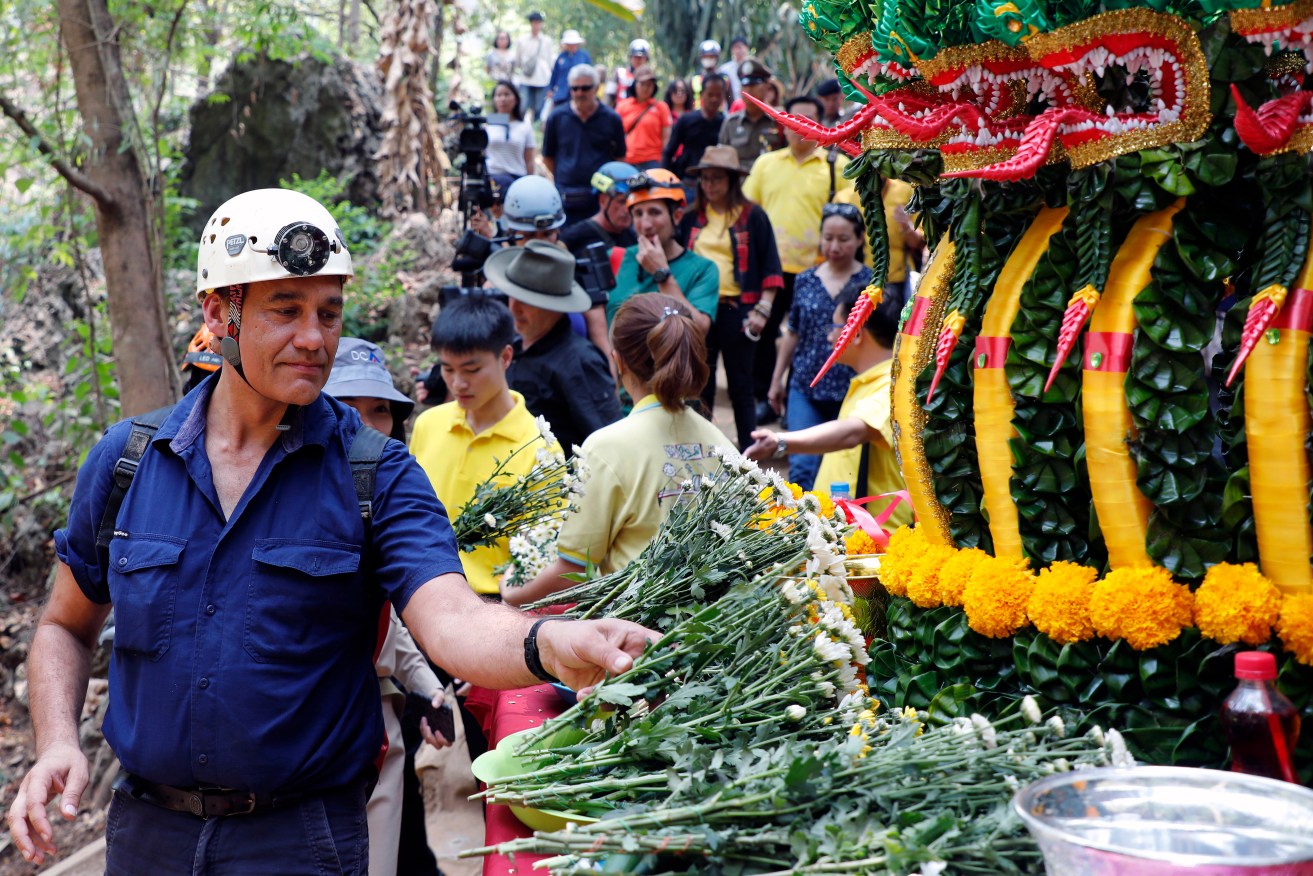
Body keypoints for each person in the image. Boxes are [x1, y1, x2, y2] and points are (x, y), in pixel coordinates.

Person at [5, 188, 654, 872]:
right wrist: (57, 742)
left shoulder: (376, 476)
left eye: (328, 313)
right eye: (285, 312)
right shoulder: (127, 463)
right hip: (147, 837)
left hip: (299, 840)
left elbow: (452, 620)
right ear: (219, 314)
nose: (314, 339)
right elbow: (64, 626)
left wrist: (549, 641)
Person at [505, 293, 728, 605]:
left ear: (618, 360)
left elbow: (572, 569)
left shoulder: (606, 448)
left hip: (634, 634)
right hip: (713, 623)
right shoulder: (721, 442)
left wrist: (511, 594)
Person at [320, 337, 448, 876]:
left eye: (380, 412)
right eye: (347, 410)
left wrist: (430, 689)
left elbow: (394, 622)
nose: (366, 426)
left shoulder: (391, 502)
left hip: (377, 732)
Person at [409, 296, 550, 597]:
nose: (458, 383)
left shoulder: (539, 449)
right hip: (418, 596)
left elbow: (542, 556)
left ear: (506, 357)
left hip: (493, 607)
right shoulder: (428, 424)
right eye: (447, 369)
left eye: (471, 370)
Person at [746, 287, 911, 526]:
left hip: (875, 539)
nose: (829, 338)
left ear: (856, 334)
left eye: (834, 328)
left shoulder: (891, 385)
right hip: (852, 534)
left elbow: (853, 432)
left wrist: (781, 442)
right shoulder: (871, 379)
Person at [743, 95, 859, 424]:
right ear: (784, 123)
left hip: (817, 271)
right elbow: (749, 212)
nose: (800, 128)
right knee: (764, 335)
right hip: (770, 268)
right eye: (794, 120)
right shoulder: (766, 164)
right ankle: (767, 395)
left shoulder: (836, 166)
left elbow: (849, 215)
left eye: (809, 121)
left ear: (821, 125)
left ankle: (796, 398)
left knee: (809, 336)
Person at [679, 145, 783, 450]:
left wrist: (762, 311)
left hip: (738, 310)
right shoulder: (691, 218)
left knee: (741, 385)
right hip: (698, 312)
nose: (709, 186)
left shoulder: (753, 216)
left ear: (731, 181)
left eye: (717, 179)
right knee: (700, 383)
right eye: (705, 179)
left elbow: (770, 265)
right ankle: (700, 450)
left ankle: (748, 456)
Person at [768, 204, 870, 489]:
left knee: (844, 476)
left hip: (852, 392)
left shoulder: (871, 283)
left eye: (843, 238)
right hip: (805, 386)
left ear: (860, 239)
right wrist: (777, 380)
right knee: (801, 470)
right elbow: (793, 333)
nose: (833, 246)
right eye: (828, 237)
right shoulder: (805, 279)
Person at [486, 241, 622, 454]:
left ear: (555, 305)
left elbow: (607, 446)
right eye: (512, 295)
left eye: (528, 301)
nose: (515, 308)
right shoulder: (512, 347)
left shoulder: (580, 362)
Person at [609, 169, 718, 336]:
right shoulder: (615, 258)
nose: (645, 225)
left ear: (677, 216)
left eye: (654, 212)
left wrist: (662, 274)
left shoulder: (703, 270)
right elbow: (597, 322)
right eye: (638, 214)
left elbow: (698, 330)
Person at [559, 160, 640, 356]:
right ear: (603, 200)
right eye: (621, 202)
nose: (626, 211)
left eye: (631, 203)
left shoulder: (633, 236)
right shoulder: (573, 237)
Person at [543, 64, 627, 225]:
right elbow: (548, 156)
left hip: (599, 197)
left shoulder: (611, 119)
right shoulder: (556, 117)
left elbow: (620, 157)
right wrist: (564, 176)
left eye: (585, 88)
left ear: (596, 88)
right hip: (565, 196)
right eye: (575, 88)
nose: (579, 93)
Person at [664, 72, 727, 203]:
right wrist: (667, 181)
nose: (714, 99)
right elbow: (669, 151)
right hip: (688, 183)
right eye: (710, 95)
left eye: (718, 95)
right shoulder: (686, 120)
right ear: (702, 95)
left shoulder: (726, 123)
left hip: (715, 186)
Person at [718, 59, 785, 170]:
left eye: (754, 84)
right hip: (739, 184)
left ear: (767, 86)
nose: (749, 89)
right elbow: (722, 159)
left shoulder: (780, 121)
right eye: (745, 85)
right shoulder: (731, 123)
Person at [617, 65, 673, 171]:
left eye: (650, 85)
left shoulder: (661, 107)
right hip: (627, 162)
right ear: (635, 84)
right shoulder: (623, 106)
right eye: (642, 84)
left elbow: (666, 139)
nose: (646, 88)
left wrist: (664, 163)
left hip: (652, 161)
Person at [486, 80, 536, 180]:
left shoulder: (525, 127)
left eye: (507, 94)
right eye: (499, 95)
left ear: (516, 99)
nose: (503, 99)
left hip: (517, 180)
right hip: (491, 179)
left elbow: (529, 161)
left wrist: (530, 182)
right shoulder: (488, 126)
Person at [515, 11, 553, 124]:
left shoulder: (547, 41)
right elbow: (518, 60)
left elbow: (550, 60)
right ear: (531, 23)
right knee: (523, 105)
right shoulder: (522, 40)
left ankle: (535, 130)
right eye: (534, 22)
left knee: (539, 107)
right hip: (526, 78)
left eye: (538, 22)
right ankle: (520, 127)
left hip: (542, 79)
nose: (536, 25)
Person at [547, 29, 592, 109]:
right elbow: (555, 74)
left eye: (573, 43)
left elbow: (590, 74)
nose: (571, 46)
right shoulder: (561, 57)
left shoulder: (584, 56)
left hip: (579, 92)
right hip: (561, 94)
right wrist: (550, 88)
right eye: (569, 44)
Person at [611, 38, 652, 106]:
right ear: (630, 57)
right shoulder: (619, 73)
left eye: (641, 57)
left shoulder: (650, 78)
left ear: (646, 59)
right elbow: (609, 94)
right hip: (619, 112)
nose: (638, 60)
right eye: (635, 57)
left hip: (640, 112)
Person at [689, 39, 722, 104]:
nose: (708, 59)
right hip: (697, 113)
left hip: (718, 113)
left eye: (711, 56)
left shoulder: (724, 78)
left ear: (716, 58)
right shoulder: (694, 78)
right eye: (705, 56)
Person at [719, 35, 750, 102]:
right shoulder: (725, 69)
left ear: (747, 48)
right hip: (730, 107)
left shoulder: (753, 67)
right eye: (735, 48)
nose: (738, 51)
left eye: (740, 47)